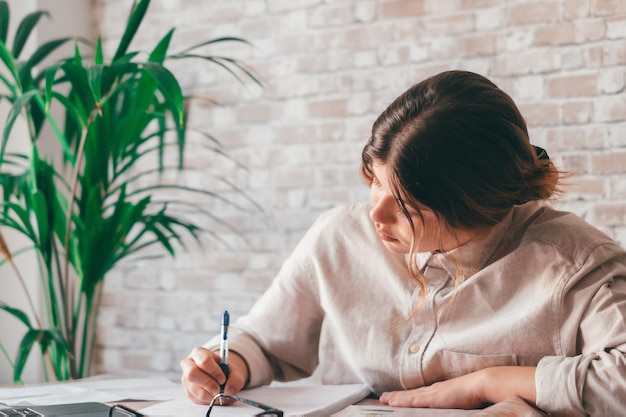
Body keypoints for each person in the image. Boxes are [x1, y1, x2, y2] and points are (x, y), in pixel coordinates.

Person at [180, 70, 626, 416]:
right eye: (374, 182)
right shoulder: (339, 237)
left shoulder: (573, 263)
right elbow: (263, 339)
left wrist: (489, 382)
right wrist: (230, 362)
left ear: (472, 204)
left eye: (407, 204)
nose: (374, 215)